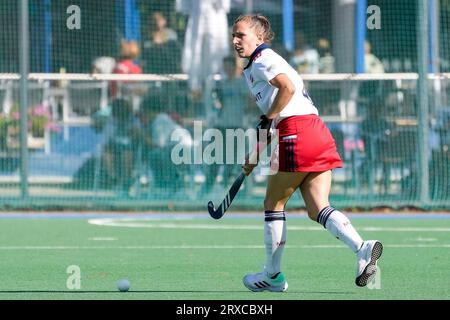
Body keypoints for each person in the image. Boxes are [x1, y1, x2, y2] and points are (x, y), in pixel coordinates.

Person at [231, 14, 383, 292]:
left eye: (241, 35)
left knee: (273, 204)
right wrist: (255, 153)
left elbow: (286, 91)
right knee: (318, 208)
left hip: (297, 132)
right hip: (316, 131)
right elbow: (273, 117)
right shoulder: (257, 65)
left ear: (259, 37)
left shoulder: (264, 59)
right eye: (234, 35)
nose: (235, 40)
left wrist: (268, 120)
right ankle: (363, 248)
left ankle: (273, 275)